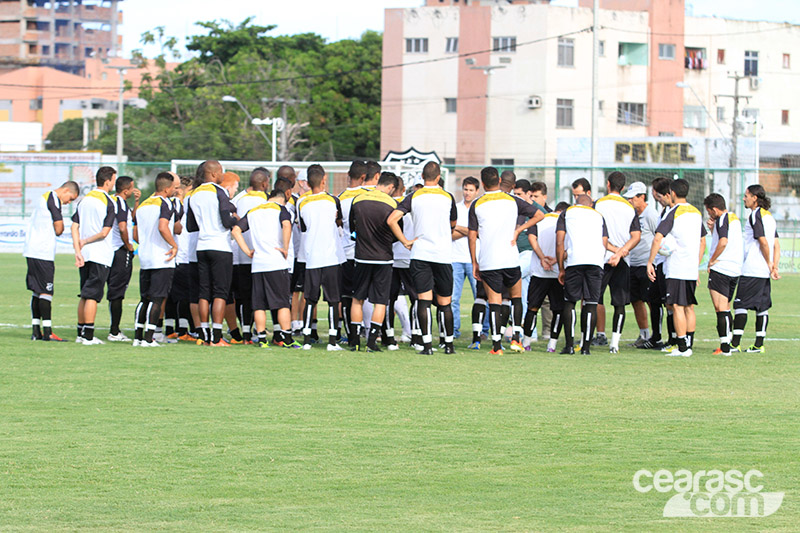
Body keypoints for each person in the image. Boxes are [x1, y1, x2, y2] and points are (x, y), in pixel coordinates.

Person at [469, 166, 545, 355]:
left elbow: (471, 236)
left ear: (483, 183)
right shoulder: (512, 200)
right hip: (511, 259)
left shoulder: (477, 204)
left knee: (494, 302)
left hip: (489, 261)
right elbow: (539, 215)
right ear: (500, 180)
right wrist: (519, 229)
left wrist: (474, 262)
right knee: (516, 298)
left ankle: (496, 346)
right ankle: (516, 339)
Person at [387, 161, 457, 355]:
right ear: (438, 176)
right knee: (445, 302)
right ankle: (449, 345)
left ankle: (426, 346)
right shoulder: (448, 197)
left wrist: (404, 241)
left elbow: (392, 219)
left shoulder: (414, 196)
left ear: (422, 177)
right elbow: (453, 223)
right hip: (442, 254)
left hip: (420, 254)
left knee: (423, 301)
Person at [231, 178, 300, 349]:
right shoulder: (281, 209)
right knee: (283, 302)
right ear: (284, 197)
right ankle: (287, 338)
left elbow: (236, 230)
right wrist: (285, 247)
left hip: (258, 264)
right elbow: (286, 225)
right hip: (276, 263)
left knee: (259, 304)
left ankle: (261, 338)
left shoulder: (254, 211)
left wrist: (247, 251)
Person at [646, 179, 706, 358]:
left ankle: (682, 347)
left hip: (677, 266)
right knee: (689, 306)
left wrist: (650, 262)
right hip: (690, 267)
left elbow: (658, 237)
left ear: (672, 193)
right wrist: (696, 262)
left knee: (677, 306)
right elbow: (703, 240)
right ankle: (689, 343)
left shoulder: (673, 212)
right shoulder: (696, 212)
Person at [185, 160, 238, 347]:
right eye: (221, 171)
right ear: (214, 174)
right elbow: (225, 221)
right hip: (220, 247)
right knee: (220, 293)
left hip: (201, 247)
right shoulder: (219, 191)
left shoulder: (193, 194)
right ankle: (217, 337)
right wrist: (238, 221)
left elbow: (190, 226)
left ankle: (205, 335)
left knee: (204, 293)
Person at [348, 172, 400, 352]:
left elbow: (352, 229)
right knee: (380, 301)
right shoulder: (393, 204)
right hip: (383, 258)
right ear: (391, 188)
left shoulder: (358, 199)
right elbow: (396, 233)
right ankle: (372, 342)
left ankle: (354, 341)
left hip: (361, 255)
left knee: (357, 298)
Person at [23, 180, 79, 342]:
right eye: (71, 198)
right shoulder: (53, 198)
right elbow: (59, 228)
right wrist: (60, 228)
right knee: (46, 291)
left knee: (37, 290)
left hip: (32, 250)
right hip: (42, 252)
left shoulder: (45, 196)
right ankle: (47, 332)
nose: (69, 202)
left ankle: (36, 331)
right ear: (66, 190)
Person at [297, 164, 345, 351]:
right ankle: (333, 340)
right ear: (324, 180)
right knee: (333, 299)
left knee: (310, 298)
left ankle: (307, 339)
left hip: (311, 256)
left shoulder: (301, 202)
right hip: (331, 256)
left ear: (307, 183)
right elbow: (339, 222)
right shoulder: (333, 200)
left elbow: (303, 228)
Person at [593, 171, 641, 353]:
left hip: (600, 258)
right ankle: (614, 344)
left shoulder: (598, 204)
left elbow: (596, 232)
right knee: (619, 303)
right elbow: (636, 236)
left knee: (594, 299)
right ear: (623, 187)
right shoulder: (629, 208)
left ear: (607, 184)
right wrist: (620, 253)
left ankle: (589, 338)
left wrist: (613, 251)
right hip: (622, 261)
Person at [556, 194, 609, 355]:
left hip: (574, 261)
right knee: (591, 303)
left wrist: (561, 268)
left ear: (576, 203)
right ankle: (586, 347)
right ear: (591, 204)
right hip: (595, 262)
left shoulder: (568, 212)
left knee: (570, 302)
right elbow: (604, 241)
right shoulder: (599, 216)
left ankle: (570, 346)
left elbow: (559, 240)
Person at [731, 185, 780, 353]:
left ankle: (734, 344)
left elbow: (764, 241)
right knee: (762, 307)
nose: (744, 199)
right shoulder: (770, 217)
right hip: (764, 271)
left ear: (754, 198)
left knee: (740, 306)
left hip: (752, 268)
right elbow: (776, 244)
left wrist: (768, 262)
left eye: (746, 196)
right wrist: (774, 266)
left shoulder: (755, 215)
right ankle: (759, 345)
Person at [71, 166, 117, 345]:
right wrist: (87, 241)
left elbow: (74, 226)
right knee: (92, 295)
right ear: (107, 181)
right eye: (113, 180)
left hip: (85, 255)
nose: (114, 183)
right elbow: (105, 232)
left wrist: (78, 249)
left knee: (84, 293)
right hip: (100, 253)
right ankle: (89, 336)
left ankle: (81, 333)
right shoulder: (109, 201)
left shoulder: (84, 200)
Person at [132, 172, 178, 347]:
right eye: (174, 188)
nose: (175, 190)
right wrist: (174, 245)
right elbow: (162, 227)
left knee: (145, 299)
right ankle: (149, 338)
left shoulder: (143, 205)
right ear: (166, 189)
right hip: (162, 258)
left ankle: (137, 337)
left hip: (145, 258)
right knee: (157, 299)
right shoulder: (165, 203)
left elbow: (135, 234)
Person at [524, 201, 569, 353]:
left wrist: (542, 258)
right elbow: (564, 244)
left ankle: (526, 343)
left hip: (539, 271)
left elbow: (532, 238)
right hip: (557, 272)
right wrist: (557, 259)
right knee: (558, 310)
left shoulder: (539, 217)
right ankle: (552, 345)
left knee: (532, 308)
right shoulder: (565, 221)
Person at [231, 167, 270, 344]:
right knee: (260, 296)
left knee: (244, 296)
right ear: (264, 183)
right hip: (261, 255)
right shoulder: (267, 201)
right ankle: (263, 331)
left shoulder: (240, 200)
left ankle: (246, 332)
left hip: (242, 254)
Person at [703, 193, 743, 356]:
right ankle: (728, 344)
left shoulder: (721, 219)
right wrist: (714, 230)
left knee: (721, 309)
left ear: (713, 209)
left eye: (708, 211)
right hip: (734, 269)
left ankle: (725, 347)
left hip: (721, 268)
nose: (709, 215)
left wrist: (712, 260)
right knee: (725, 308)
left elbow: (724, 242)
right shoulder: (734, 218)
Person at [623, 181, 660, 347]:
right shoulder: (630, 214)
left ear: (642, 197)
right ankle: (644, 334)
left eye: (633, 198)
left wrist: (652, 262)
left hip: (647, 265)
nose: (630, 201)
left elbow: (659, 237)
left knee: (652, 301)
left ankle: (656, 335)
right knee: (636, 300)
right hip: (632, 263)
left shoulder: (651, 214)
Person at [640, 177, 675, 350]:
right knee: (653, 299)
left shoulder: (676, 212)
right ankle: (657, 337)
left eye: (659, 197)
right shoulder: (664, 212)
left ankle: (675, 338)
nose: (658, 200)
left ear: (668, 195)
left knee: (671, 303)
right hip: (660, 263)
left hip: (671, 265)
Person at [105, 176, 140, 342]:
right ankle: (114, 331)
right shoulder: (119, 203)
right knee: (117, 292)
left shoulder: (116, 202)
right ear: (126, 190)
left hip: (109, 251)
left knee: (113, 291)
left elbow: (129, 219)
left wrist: (137, 203)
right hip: (120, 251)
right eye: (132, 188)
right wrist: (128, 244)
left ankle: (86, 328)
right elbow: (122, 226)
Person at [338, 161, 368, 342]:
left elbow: (337, 224)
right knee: (365, 295)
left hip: (345, 253)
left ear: (349, 175)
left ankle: (351, 335)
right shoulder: (368, 196)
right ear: (364, 177)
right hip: (365, 253)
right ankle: (371, 331)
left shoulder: (339, 198)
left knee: (347, 296)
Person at [451, 176, 480, 340]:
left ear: (477, 191)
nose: (467, 193)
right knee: (454, 298)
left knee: (480, 297)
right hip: (455, 258)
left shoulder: (480, 208)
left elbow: (480, 233)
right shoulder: (455, 208)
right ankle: (454, 330)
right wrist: (470, 231)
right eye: (465, 189)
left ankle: (483, 330)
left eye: (470, 190)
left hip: (474, 259)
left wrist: (460, 230)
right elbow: (450, 233)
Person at [169, 175, 196, 341]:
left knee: (174, 296)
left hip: (178, 256)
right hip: (183, 256)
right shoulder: (181, 205)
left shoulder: (179, 204)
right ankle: (182, 330)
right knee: (184, 296)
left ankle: (172, 328)